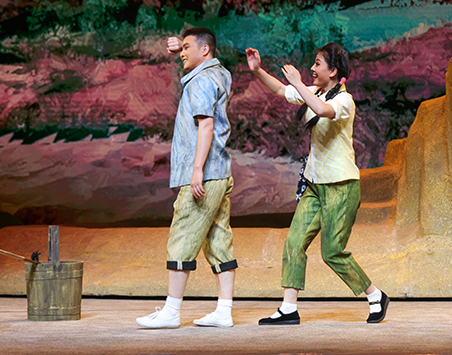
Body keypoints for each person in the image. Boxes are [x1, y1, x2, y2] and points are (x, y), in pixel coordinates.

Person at [245, 43, 389, 325]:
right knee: (294, 242)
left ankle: (375, 295)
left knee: (332, 252)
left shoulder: (344, 101)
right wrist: (258, 70)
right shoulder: (316, 92)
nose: (312, 68)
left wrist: (299, 83)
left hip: (340, 185)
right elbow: (280, 90)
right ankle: (288, 308)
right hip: (314, 183)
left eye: (318, 63)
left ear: (332, 71)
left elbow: (322, 110)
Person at [136, 27, 237, 328]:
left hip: (206, 174)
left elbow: (206, 126)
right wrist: (184, 46)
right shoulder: (220, 74)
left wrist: (196, 170)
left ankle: (171, 311)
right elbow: (201, 53)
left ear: (204, 50)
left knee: (182, 235)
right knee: (218, 239)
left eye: (187, 48)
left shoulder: (201, 81)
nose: (181, 53)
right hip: (220, 172)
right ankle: (224, 311)